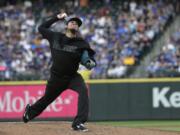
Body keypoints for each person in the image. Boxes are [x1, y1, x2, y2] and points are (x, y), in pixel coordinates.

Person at [22, 12, 96, 132]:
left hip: (73, 77)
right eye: (72, 21)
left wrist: (89, 62)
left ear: (77, 28)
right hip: (56, 77)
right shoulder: (56, 37)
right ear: (67, 25)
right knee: (47, 99)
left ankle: (78, 123)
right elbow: (41, 28)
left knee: (83, 91)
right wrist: (56, 18)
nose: (74, 23)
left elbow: (87, 58)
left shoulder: (81, 43)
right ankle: (29, 113)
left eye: (77, 23)